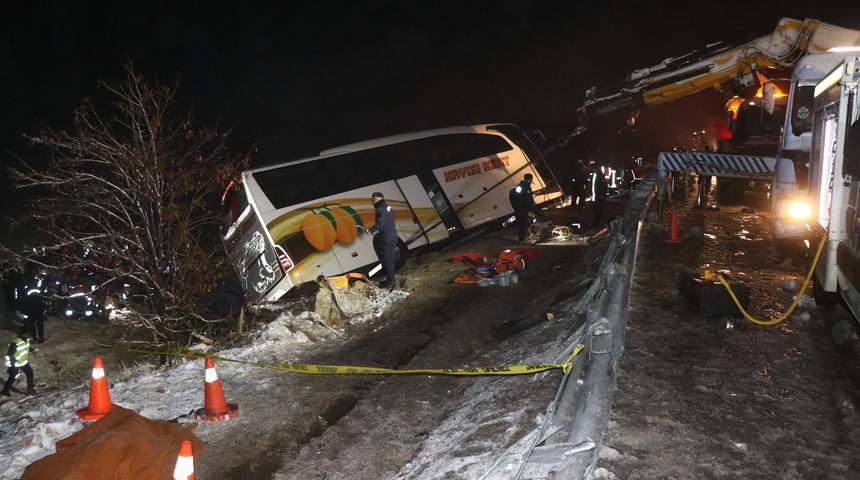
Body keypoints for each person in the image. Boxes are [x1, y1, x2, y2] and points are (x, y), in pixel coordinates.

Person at [361, 192, 398, 289]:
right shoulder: (387, 207)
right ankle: (390, 279)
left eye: (374, 200)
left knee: (386, 260)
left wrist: (370, 230)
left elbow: (380, 224)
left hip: (386, 238)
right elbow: (387, 222)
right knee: (388, 259)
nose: (373, 202)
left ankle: (391, 282)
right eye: (373, 200)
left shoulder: (379, 209)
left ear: (377, 199)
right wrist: (377, 231)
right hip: (392, 235)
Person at [2, 329, 36, 396]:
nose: (30, 335)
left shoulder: (26, 340)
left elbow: (26, 347)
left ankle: (30, 389)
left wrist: (32, 350)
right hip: (15, 363)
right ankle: (5, 391)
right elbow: (9, 354)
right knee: (13, 377)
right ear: (25, 333)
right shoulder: (16, 342)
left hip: (23, 362)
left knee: (30, 373)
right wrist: (12, 365)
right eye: (29, 333)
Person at [508, 173, 535, 242]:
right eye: (531, 179)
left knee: (529, 222)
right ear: (529, 179)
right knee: (523, 224)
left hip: (525, 209)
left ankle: (529, 236)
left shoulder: (525, 186)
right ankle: (522, 240)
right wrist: (524, 208)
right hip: (523, 210)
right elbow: (522, 199)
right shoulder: (522, 187)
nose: (531, 181)